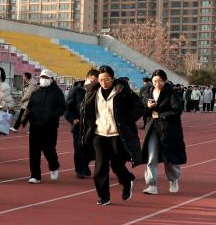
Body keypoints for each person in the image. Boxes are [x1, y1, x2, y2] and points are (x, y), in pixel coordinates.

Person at [80, 65, 143, 205]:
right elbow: (85, 110)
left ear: (113, 78)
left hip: (117, 135)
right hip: (99, 134)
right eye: (101, 79)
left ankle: (127, 181)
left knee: (117, 165)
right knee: (100, 168)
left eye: (107, 79)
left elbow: (139, 107)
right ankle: (104, 197)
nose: (104, 82)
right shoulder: (93, 92)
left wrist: (127, 119)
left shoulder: (122, 91)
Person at [141, 70, 186, 195]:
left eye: (160, 81)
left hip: (168, 130)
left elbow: (177, 110)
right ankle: (151, 185)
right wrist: (148, 107)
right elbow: (142, 109)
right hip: (152, 128)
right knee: (151, 157)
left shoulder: (171, 93)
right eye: (154, 81)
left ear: (165, 81)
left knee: (169, 159)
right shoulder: (149, 92)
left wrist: (161, 115)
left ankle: (173, 180)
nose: (157, 84)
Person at [25, 70, 66, 183]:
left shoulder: (57, 93)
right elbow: (29, 107)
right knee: (34, 151)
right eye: (42, 77)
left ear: (52, 79)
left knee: (49, 150)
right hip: (35, 126)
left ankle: (54, 166)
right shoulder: (36, 92)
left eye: (46, 77)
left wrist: (53, 115)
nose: (43, 79)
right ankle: (35, 176)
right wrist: (27, 119)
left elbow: (62, 107)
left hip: (50, 127)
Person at [64, 70, 99, 178]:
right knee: (79, 148)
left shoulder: (98, 91)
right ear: (86, 78)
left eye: (96, 82)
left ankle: (84, 165)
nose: (93, 83)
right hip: (79, 125)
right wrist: (72, 119)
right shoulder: (76, 90)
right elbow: (67, 107)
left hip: (93, 126)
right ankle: (79, 170)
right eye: (92, 80)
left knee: (92, 149)